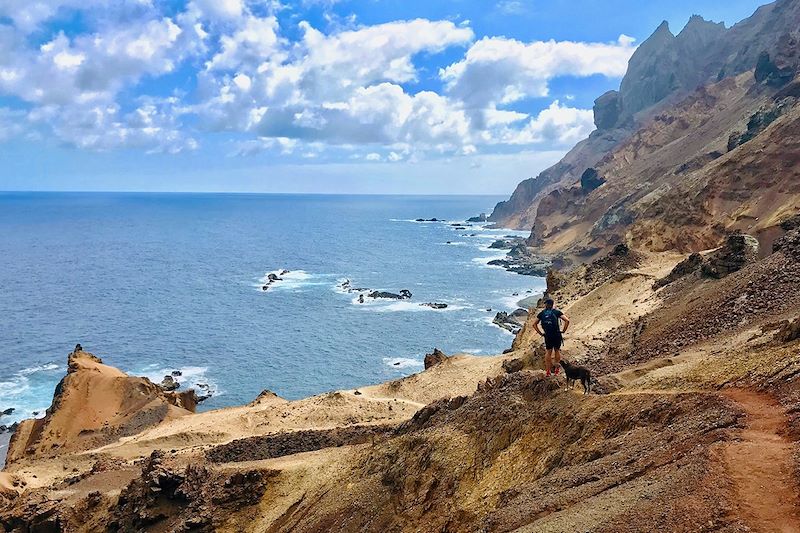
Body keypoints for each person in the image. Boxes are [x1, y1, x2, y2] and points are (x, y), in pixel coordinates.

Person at [532, 298, 570, 376]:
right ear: (552, 305)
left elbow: (534, 324)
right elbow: (567, 320)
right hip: (556, 334)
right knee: (557, 351)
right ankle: (556, 371)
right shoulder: (556, 312)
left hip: (547, 335)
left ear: (546, 305)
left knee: (548, 352)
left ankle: (548, 372)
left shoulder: (542, 313)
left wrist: (541, 333)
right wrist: (563, 330)